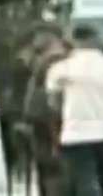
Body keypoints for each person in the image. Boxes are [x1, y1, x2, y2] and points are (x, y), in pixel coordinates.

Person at [45, 25, 103, 196]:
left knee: (85, 183)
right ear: (96, 39)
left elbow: (53, 103)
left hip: (76, 135)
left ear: (74, 41)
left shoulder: (61, 69)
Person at [21, 24, 70, 196]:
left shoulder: (52, 60)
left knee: (50, 165)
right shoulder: (52, 59)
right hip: (45, 117)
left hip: (48, 118)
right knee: (49, 164)